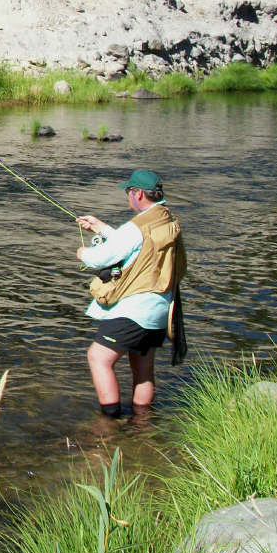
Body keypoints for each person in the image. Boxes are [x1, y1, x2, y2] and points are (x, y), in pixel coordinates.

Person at [74, 169, 187, 417]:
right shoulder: (166, 219)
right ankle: (141, 424)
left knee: (98, 357)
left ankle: (110, 422)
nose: (128, 198)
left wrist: (83, 254)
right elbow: (140, 247)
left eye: (129, 192)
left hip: (134, 310)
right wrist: (102, 228)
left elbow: (101, 258)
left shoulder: (136, 227)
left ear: (137, 193)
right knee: (142, 367)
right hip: (160, 310)